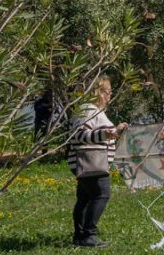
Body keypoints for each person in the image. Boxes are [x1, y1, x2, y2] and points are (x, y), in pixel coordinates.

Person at [67, 77, 127, 248]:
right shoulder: (88, 109)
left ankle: (80, 236)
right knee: (101, 194)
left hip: (90, 163)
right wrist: (106, 134)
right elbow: (78, 136)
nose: (110, 95)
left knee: (85, 198)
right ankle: (88, 235)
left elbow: (98, 134)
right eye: (108, 91)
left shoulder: (93, 110)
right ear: (98, 92)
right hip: (92, 163)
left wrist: (116, 131)